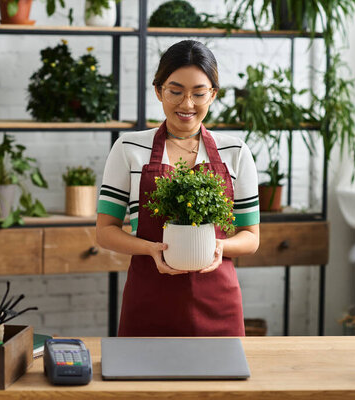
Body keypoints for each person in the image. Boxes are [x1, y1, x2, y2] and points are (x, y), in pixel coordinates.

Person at [96, 40, 260, 337]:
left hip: (218, 304)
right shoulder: (128, 148)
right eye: (175, 91)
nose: (187, 104)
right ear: (158, 91)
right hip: (148, 300)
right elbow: (105, 230)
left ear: (213, 95)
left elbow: (250, 237)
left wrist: (219, 247)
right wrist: (151, 249)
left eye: (199, 93)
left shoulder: (236, 151)